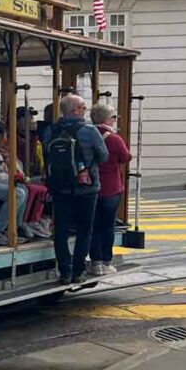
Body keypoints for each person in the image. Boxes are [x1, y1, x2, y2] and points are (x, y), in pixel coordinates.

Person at [44, 94, 109, 284]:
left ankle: (64, 271)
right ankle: (78, 271)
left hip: (60, 188)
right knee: (84, 230)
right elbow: (103, 156)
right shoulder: (89, 131)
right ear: (74, 110)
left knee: (61, 231)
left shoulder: (51, 131)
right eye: (83, 107)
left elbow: (48, 154)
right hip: (86, 189)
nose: (85, 110)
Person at [89, 103, 131, 275]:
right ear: (106, 119)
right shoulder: (114, 139)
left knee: (93, 226)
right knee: (107, 226)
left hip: (90, 187)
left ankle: (95, 263)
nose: (115, 120)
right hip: (111, 188)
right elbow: (125, 157)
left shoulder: (86, 135)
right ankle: (106, 262)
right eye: (114, 117)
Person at [0, 120, 32, 246]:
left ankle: (15, 226)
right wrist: (11, 177)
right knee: (18, 193)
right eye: (5, 135)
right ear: (0, 136)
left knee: (23, 189)